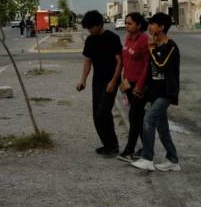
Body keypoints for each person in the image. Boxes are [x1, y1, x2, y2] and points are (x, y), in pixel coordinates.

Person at [132, 12, 181, 172]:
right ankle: (173, 160)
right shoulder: (156, 46)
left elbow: (161, 65)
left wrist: (152, 49)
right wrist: (143, 88)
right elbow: (152, 72)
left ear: (161, 27)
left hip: (166, 93)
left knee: (148, 120)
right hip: (155, 92)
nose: (150, 27)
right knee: (162, 128)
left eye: (153, 24)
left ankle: (147, 158)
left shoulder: (170, 47)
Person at [76, 10, 123, 155]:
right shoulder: (90, 40)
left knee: (104, 111)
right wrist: (83, 80)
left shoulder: (112, 37)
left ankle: (113, 145)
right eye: (88, 28)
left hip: (111, 80)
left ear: (99, 24)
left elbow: (120, 61)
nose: (89, 30)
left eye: (91, 27)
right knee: (96, 113)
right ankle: (107, 144)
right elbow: (87, 61)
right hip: (98, 80)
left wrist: (114, 82)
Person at [118, 12, 149, 163]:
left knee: (134, 116)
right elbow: (126, 60)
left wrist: (140, 85)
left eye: (130, 23)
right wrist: (124, 81)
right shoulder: (128, 38)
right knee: (138, 117)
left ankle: (129, 150)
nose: (126, 25)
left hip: (139, 86)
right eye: (126, 23)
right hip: (128, 84)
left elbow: (147, 65)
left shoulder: (144, 40)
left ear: (139, 25)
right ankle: (147, 148)